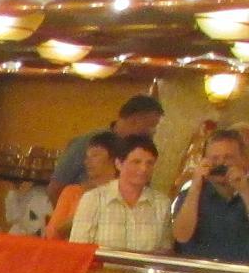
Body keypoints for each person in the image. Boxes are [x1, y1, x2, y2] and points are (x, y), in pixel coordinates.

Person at [71, 133, 171, 252]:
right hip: (103, 270)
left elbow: (164, 251)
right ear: (119, 164)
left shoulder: (162, 203)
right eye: (136, 162)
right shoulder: (93, 199)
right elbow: (77, 250)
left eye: (149, 163)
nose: (144, 169)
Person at [50, 92, 163, 193]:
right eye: (151, 125)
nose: (153, 132)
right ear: (134, 120)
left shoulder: (142, 150)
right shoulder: (88, 142)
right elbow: (56, 187)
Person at [171, 125, 249, 262]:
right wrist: (196, 185)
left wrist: (244, 190)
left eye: (228, 158)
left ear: (244, 160)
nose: (220, 164)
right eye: (214, 158)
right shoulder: (190, 193)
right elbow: (181, 236)